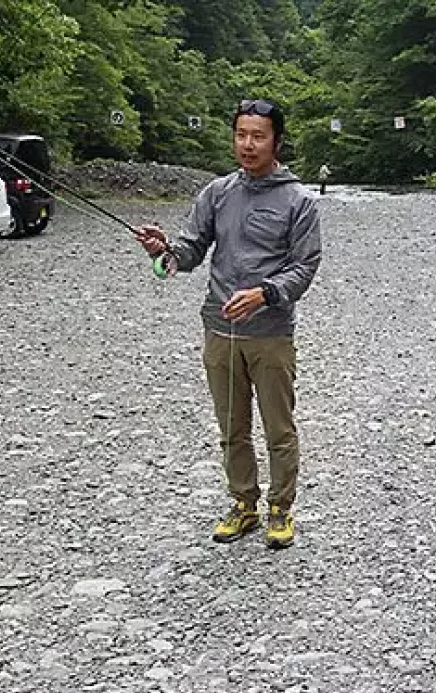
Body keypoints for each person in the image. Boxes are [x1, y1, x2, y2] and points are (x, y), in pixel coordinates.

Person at [134, 98, 322, 549]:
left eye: (258, 136)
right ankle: (243, 504)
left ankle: (281, 508)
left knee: (278, 428)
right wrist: (164, 252)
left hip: (271, 333)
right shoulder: (217, 193)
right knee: (232, 428)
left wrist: (265, 293)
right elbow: (190, 251)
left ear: (277, 141)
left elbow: (305, 266)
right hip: (219, 330)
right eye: (241, 135)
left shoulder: (298, 201)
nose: (248, 145)